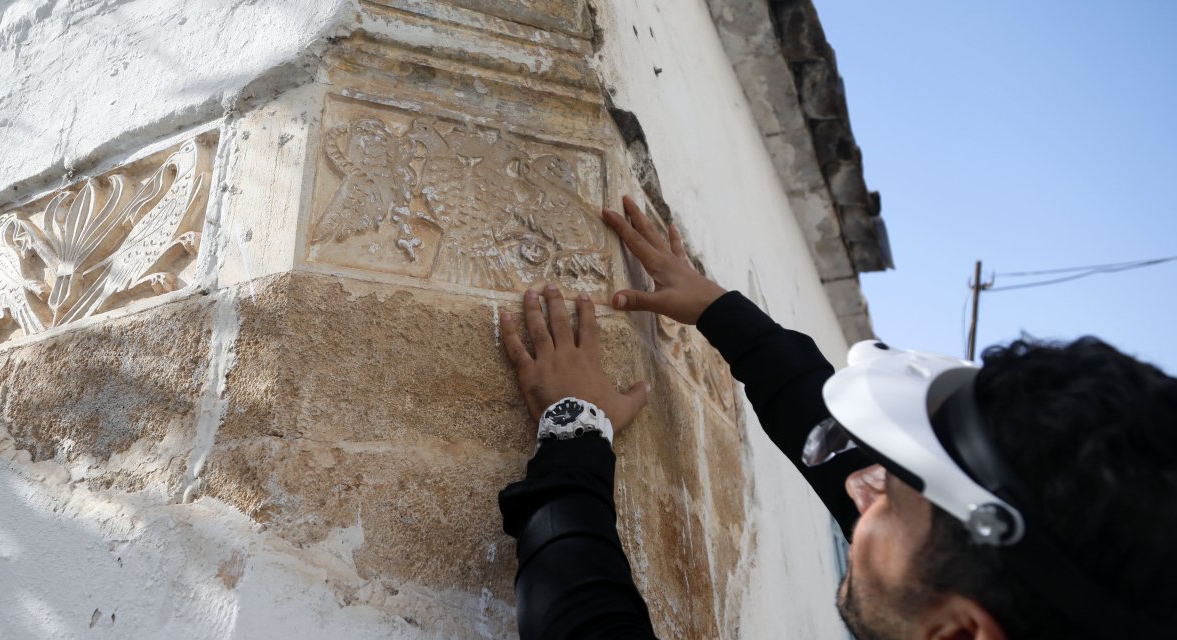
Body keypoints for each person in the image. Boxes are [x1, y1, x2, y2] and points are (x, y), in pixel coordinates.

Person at [495, 196, 1177, 639]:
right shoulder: (999, 596)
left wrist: (574, 426)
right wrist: (718, 310)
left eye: (891, 495)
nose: (860, 487)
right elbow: (839, 446)